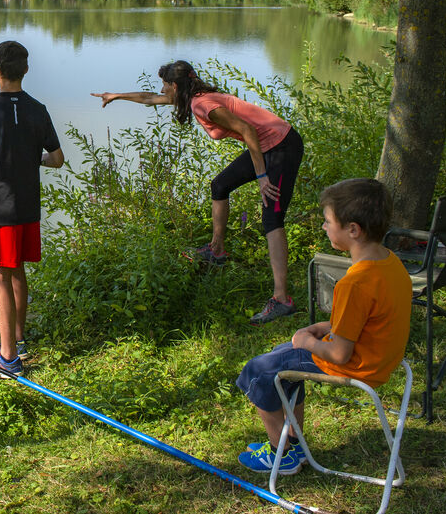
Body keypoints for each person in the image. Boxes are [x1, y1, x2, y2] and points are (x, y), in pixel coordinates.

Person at [92, 60, 304, 324]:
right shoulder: (193, 96)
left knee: (272, 217)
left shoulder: (202, 104)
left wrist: (262, 176)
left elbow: (247, 129)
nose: (162, 89)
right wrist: (116, 96)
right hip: (266, 146)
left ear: (176, 85)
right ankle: (216, 250)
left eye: (165, 85)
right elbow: (149, 99)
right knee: (220, 185)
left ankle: (282, 299)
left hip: (282, 146)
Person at [234, 178, 411, 474]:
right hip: (380, 358)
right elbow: (367, 318)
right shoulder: (390, 264)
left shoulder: (354, 283)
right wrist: (323, 327)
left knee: (258, 370)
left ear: (353, 230)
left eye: (328, 222)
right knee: (282, 356)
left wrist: (307, 342)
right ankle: (294, 442)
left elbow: (340, 353)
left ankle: (283, 452)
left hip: (355, 365)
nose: (325, 227)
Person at [0, 41, 64, 374]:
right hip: (28, 207)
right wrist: (33, 160)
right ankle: (19, 338)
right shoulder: (39, 109)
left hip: (0, 209)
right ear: (25, 69)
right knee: (18, 269)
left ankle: (8, 357)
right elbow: (58, 159)